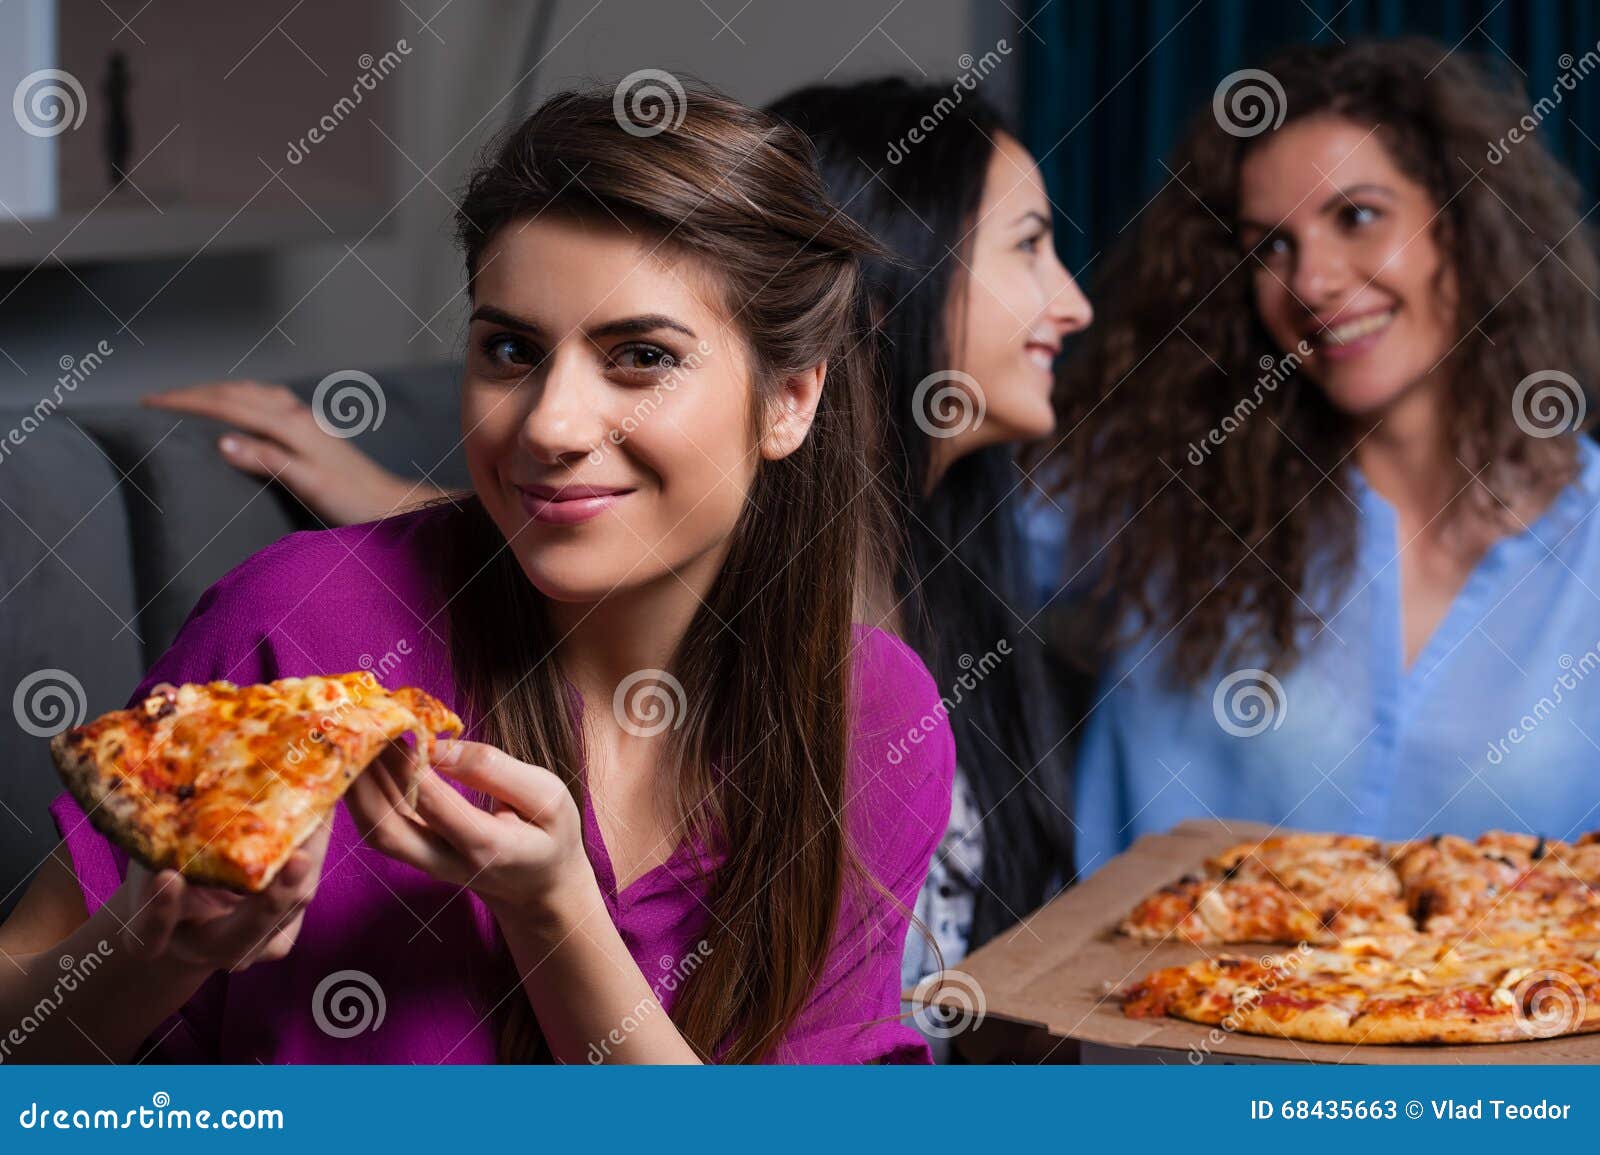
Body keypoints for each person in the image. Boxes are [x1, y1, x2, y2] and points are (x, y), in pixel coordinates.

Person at [0, 85, 953, 1065]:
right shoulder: (295, 627)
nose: (549, 424)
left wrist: (553, 914)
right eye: (511, 350)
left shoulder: (872, 716)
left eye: (638, 357)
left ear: (788, 400)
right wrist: (158, 954)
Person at [1041, 39, 1600, 875]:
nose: (1313, 281)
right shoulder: (1160, 489)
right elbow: (910, 542)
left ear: (1466, 223)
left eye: (1357, 216)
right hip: (1125, 992)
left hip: (1513, 1001)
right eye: (1271, 245)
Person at [769, 79, 1092, 1020]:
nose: (1072, 304)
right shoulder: (738, 611)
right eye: (1028, 245)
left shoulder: (949, 550)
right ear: (880, 278)